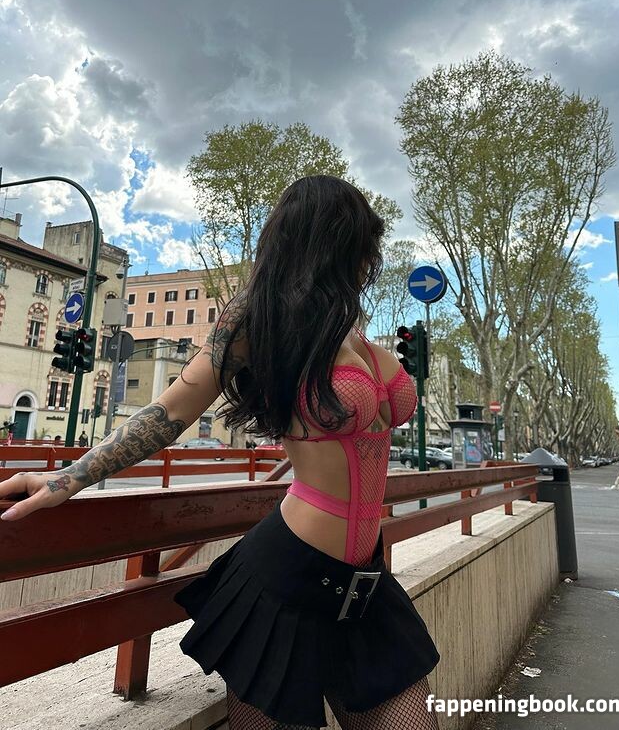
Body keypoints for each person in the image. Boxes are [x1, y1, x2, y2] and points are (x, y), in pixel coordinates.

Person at [0, 175, 440, 729]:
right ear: (330, 240)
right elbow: (171, 411)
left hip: (365, 585)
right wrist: (67, 479)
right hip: (285, 580)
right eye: (362, 242)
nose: (370, 259)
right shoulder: (260, 320)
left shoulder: (352, 333)